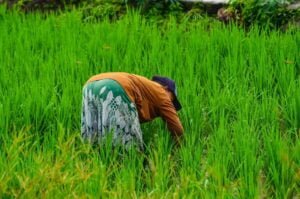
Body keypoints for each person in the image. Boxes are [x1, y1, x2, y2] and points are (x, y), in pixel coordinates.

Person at [81, 72, 183, 151]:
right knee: (130, 149)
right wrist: (181, 147)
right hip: (114, 88)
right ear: (167, 89)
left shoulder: (146, 88)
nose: (171, 104)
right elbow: (176, 127)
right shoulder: (162, 93)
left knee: (94, 141)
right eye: (172, 99)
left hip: (90, 86)